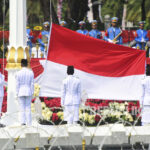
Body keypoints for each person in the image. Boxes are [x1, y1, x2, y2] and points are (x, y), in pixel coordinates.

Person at [16, 59, 34, 126]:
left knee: (22, 107)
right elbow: (32, 84)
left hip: (21, 91)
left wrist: (17, 93)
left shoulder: (18, 73)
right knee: (28, 107)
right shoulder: (31, 72)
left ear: (21, 64)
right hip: (28, 90)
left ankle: (22, 122)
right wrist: (32, 92)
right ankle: (29, 123)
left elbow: (17, 84)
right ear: (27, 64)